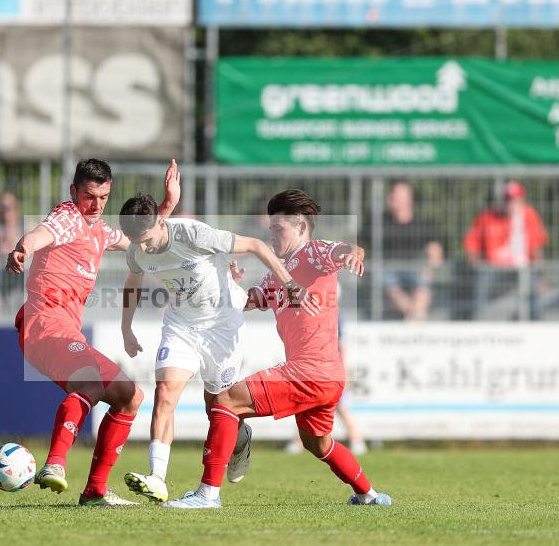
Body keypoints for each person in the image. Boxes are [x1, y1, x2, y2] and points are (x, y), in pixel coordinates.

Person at [163, 189, 391, 509]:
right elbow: (249, 302)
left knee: (225, 400)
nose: (271, 234)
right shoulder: (276, 276)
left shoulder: (311, 252)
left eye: (278, 228)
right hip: (327, 377)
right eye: (270, 228)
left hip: (309, 371)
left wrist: (353, 255)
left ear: (300, 227)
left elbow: (344, 250)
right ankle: (369, 494)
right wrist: (233, 283)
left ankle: (207, 494)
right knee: (318, 443)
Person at [117, 194, 318, 503]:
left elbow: (256, 246)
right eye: (136, 242)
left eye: (145, 240)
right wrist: (126, 327)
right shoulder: (137, 248)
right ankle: (157, 478)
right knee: (165, 393)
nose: (142, 248)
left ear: (160, 221)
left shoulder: (194, 234)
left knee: (219, 408)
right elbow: (133, 281)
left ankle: (240, 440)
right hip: (181, 326)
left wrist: (289, 283)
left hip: (222, 328)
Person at [6, 159, 180, 507]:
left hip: (64, 332)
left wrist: (167, 206)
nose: (97, 205)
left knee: (129, 396)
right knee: (87, 380)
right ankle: (55, 464)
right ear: (74, 192)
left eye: (104, 197)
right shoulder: (68, 217)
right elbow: (40, 235)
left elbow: (143, 241)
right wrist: (22, 249)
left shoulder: (100, 231)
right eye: (89, 196)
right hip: (43, 327)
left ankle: (95, 491)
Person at [463, 181, 548, 320]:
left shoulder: (529, 216)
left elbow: (536, 248)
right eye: (508, 200)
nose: (511, 204)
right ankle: (476, 320)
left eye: (515, 200)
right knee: (481, 277)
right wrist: (476, 264)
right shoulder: (487, 217)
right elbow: (472, 244)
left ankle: (534, 322)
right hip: (494, 268)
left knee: (534, 283)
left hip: (522, 268)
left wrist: (541, 275)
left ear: (522, 201)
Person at [362, 181, 443, 321]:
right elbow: (358, 244)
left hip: (415, 268)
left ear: (409, 199)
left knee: (423, 283)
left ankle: (413, 321)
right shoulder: (378, 222)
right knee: (387, 282)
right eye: (394, 195)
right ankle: (414, 318)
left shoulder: (422, 224)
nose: (395, 199)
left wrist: (430, 268)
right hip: (387, 270)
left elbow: (435, 251)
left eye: (400, 196)